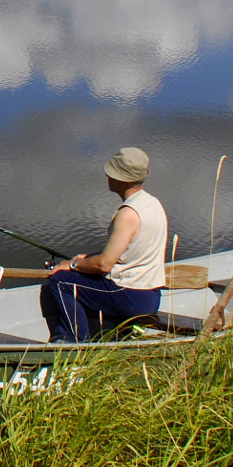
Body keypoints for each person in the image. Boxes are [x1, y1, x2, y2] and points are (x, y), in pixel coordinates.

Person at [40, 146, 168, 342]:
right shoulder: (153, 204)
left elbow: (104, 265)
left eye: (111, 174)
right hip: (151, 296)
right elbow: (129, 249)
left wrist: (73, 265)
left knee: (61, 281)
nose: (108, 177)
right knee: (82, 277)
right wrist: (88, 258)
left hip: (129, 296)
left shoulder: (127, 214)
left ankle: (74, 340)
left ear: (121, 179)